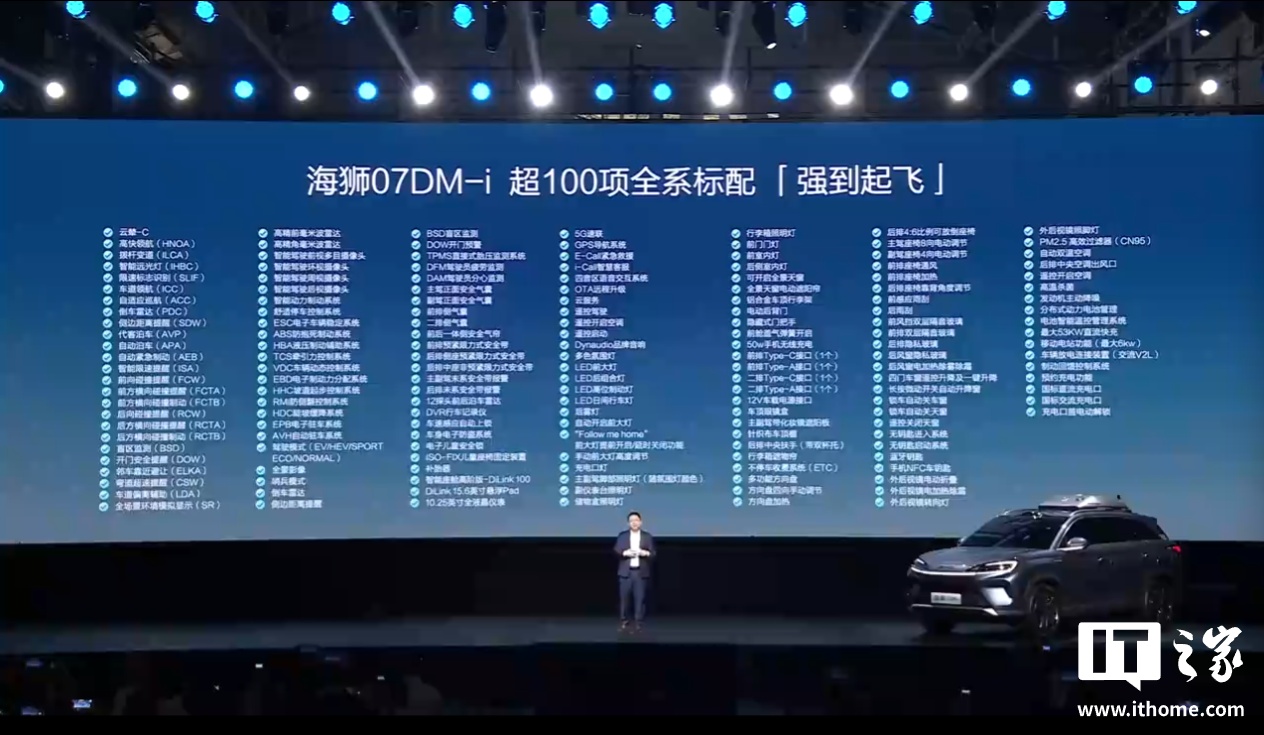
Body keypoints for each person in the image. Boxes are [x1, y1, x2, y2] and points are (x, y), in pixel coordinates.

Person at [613, 511, 655, 631]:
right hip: (625, 573)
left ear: (640, 522)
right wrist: (625, 553)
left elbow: (653, 553)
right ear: (628, 523)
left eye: (636, 520)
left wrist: (645, 553)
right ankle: (624, 621)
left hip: (640, 573)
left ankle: (639, 622)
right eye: (632, 521)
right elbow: (616, 550)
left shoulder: (647, 536)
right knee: (624, 599)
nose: (634, 523)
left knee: (640, 599)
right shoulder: (623, 536)